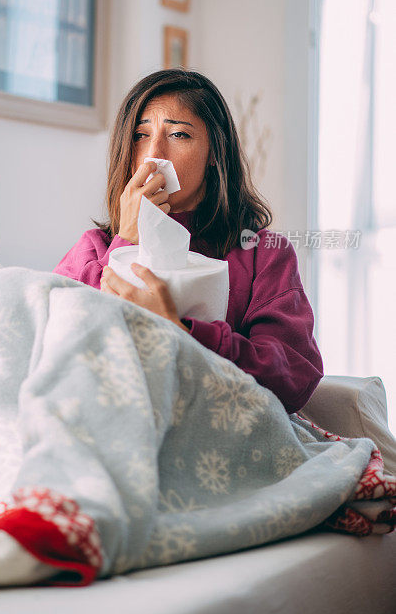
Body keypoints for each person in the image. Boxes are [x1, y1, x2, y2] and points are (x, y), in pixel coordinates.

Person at [54, 69, 324, 414]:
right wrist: (128, 241)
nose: (154, 153)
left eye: (179, 134)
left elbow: (294, 374)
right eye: (140, 134)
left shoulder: (263, 255)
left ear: (214, 151)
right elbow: (64, 350)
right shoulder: (94, 249)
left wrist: (180, 331)